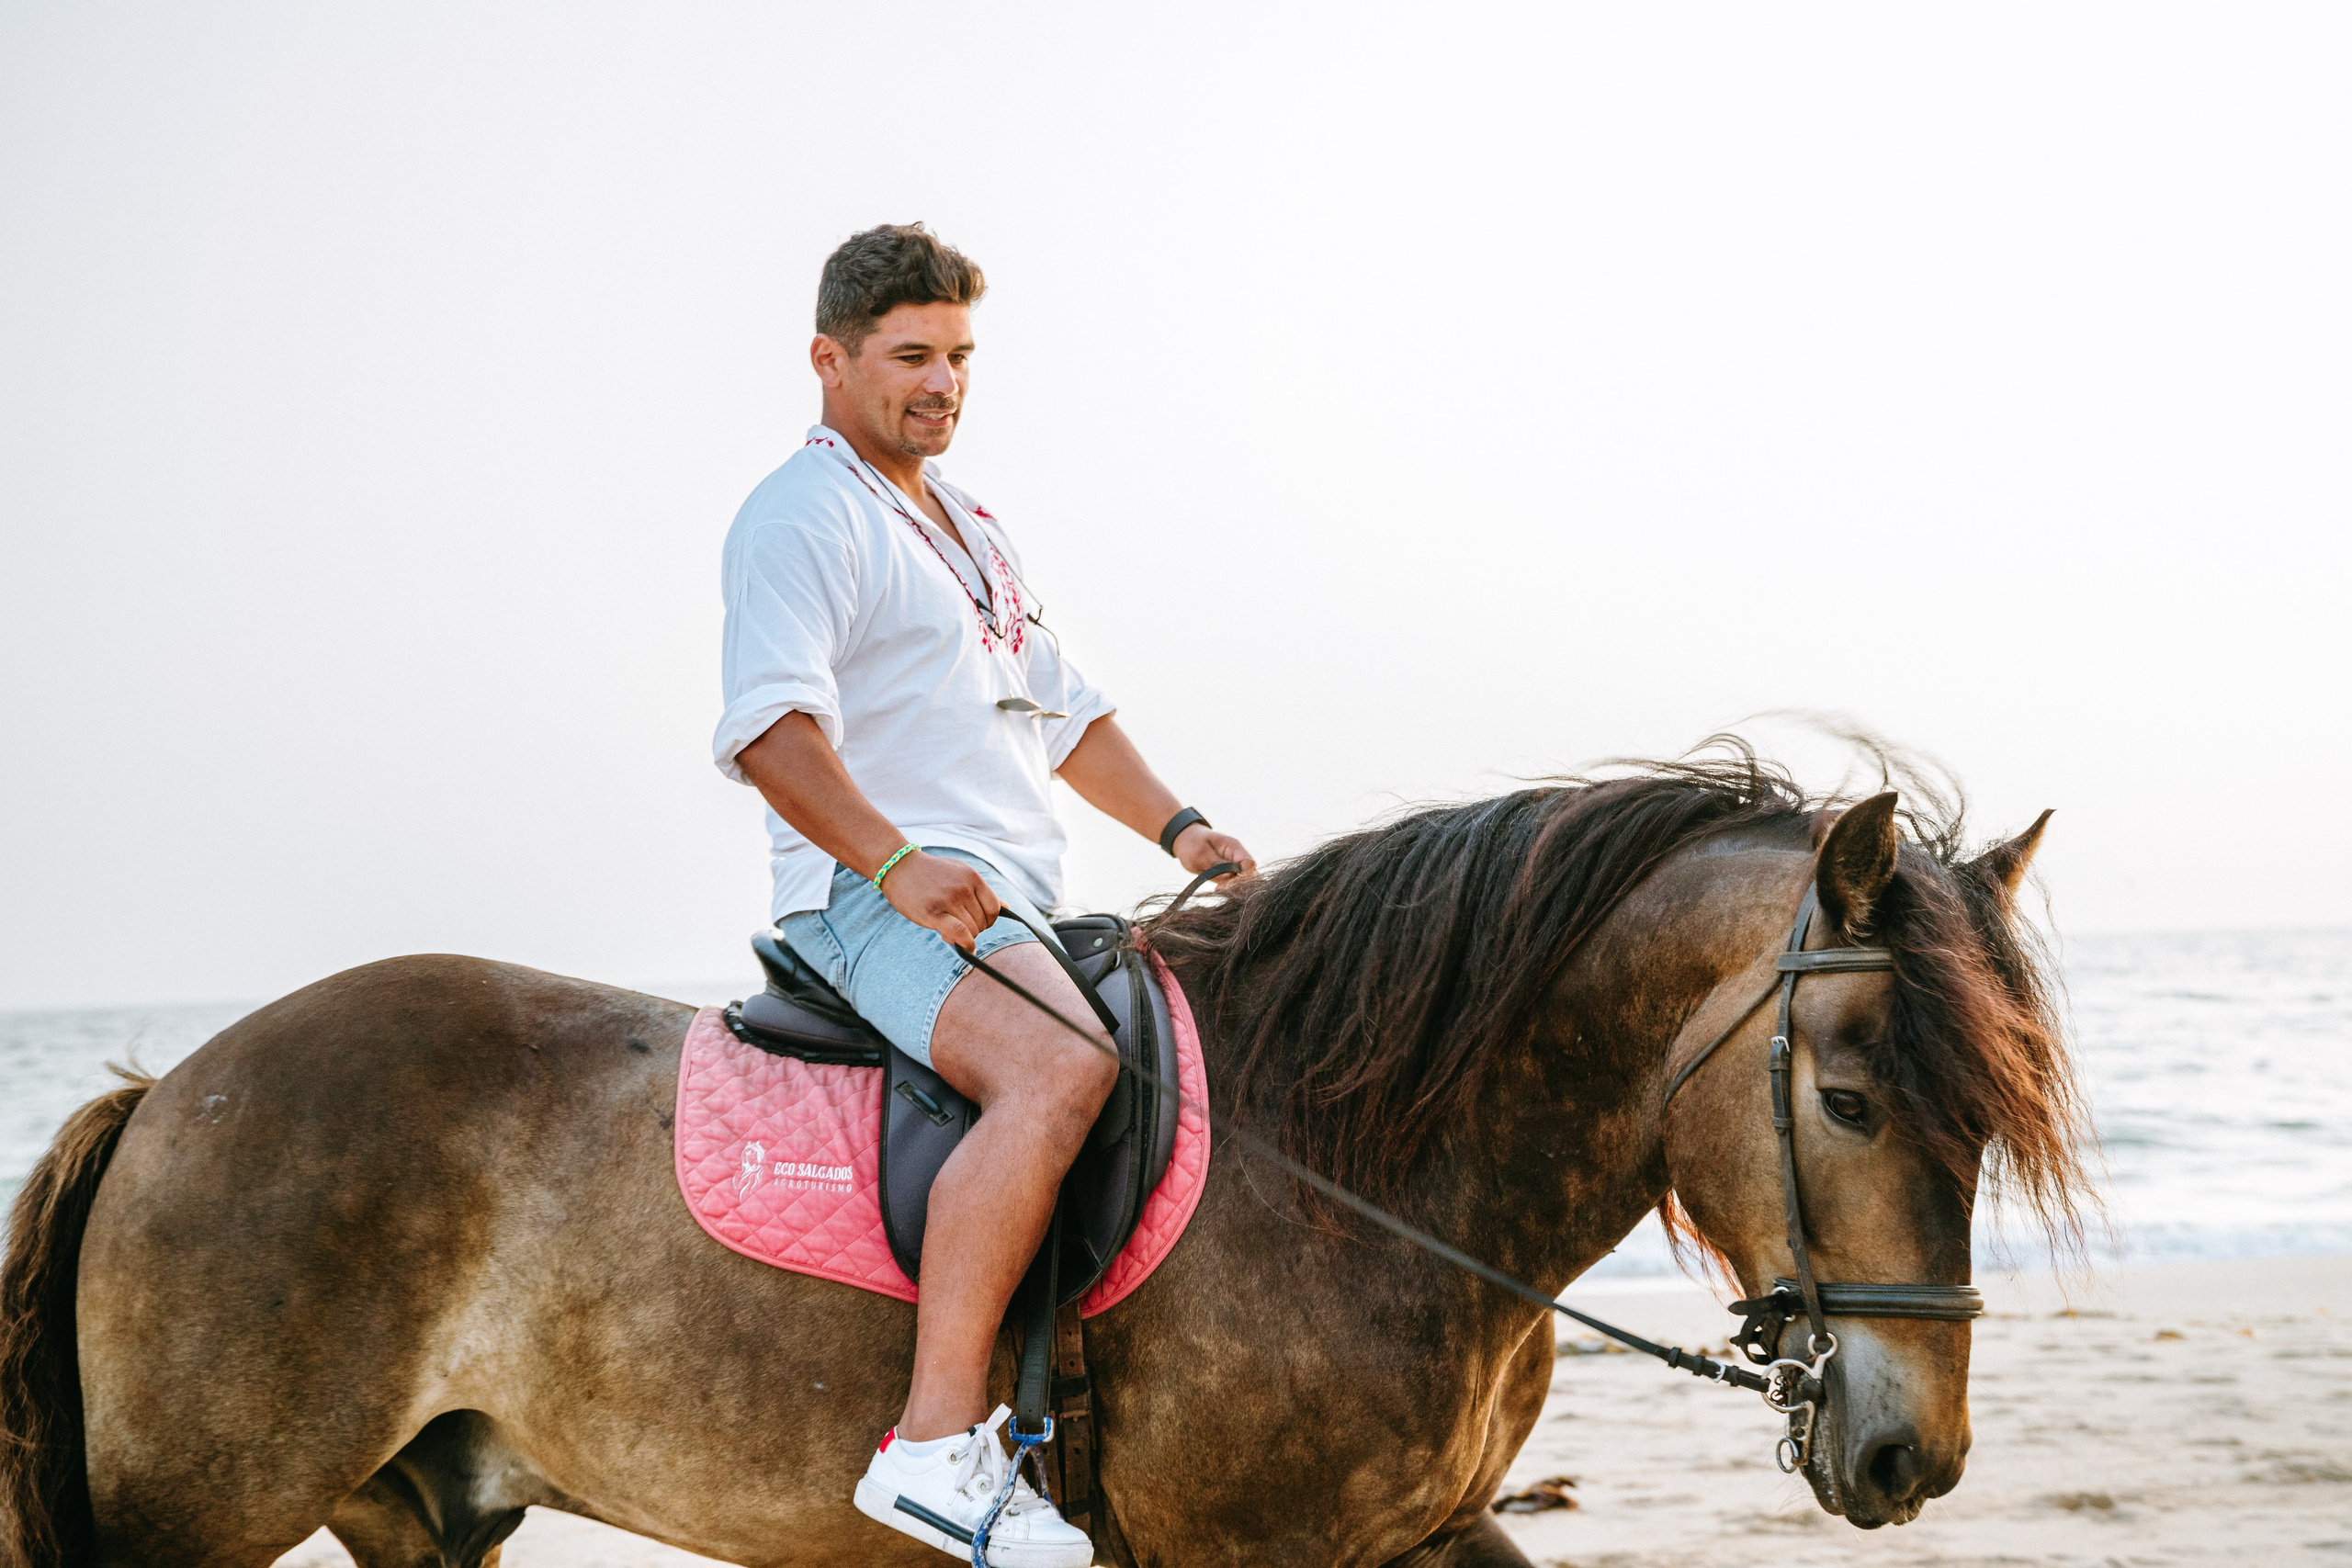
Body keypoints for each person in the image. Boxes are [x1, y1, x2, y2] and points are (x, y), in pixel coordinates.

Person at [713, 222, 1254, 1564]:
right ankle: (936, 1447)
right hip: (867, 897)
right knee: (1061, 1066)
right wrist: (895, 862)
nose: (942, 383)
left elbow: (1070, 720)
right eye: (911, 357)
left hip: (1004, 894)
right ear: (830, 360)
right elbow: (773, 734)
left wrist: (1187, 832)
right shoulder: (803, 513)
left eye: (960, 356)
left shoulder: (976, 529)